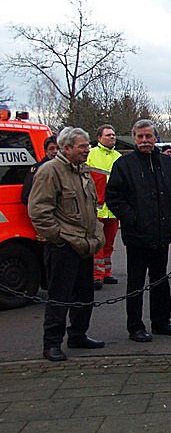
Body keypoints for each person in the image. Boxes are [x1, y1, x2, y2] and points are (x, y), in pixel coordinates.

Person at [27, 127, 106, 361]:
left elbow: (91, 208)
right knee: (59, 296)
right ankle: (52, 343)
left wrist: (96, 235)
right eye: (82, 146)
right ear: (67, 148)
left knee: (84, 294)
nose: (87, 150)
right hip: (63, 247)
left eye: (87, 145)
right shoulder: (50, 171)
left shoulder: (83, 172)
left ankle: (78, 335)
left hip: (85, 246)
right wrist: (59, 238)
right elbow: (39, 211)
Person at [105, 120, 171, 342]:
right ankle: (135, 326)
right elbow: (114, 197)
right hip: (136, 235)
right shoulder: (124, 164)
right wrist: (132, 218)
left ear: (155, 138)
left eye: (148, 137)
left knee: (160, 279)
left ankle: (162, 321)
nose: (144, 141)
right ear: (134, 138)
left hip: (161, 234)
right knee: (136, 283)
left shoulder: (168, 164)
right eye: (140, 137)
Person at [86, 124, 122, 290]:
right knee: (98, 244)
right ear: (99, 138)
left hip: (113, 209)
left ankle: (107, 273)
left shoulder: (119, 157)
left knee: (109, 244)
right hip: (97, 208)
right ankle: (96, 276)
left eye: (113, 135)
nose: (112, 137)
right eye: (108, 135)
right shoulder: (91, 154)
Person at [20, 135, 57, 204]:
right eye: (51, 149)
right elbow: (26, 196)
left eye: (58, 148)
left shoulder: (67, 167)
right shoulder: (38, 169)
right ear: (45, 151)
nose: (55, 151)